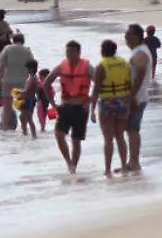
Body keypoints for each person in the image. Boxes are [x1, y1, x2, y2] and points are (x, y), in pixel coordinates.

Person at [42, 40, 94, 173]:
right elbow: (46, 83)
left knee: (76, 140)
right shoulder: (61, 66)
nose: (68, 54)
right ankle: (69, 162)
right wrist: (53, 104)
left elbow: (99, 85)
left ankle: (73, 167)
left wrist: (90, 102)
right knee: (59, 134)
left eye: (71, 51)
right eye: (67, 52)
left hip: (81, 107)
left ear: (78, 52)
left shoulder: (87, 67)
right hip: (65, 106)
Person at [91, 39, 131, 177]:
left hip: (107, 103)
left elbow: (96, 89)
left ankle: (108, 170)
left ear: (102, 51)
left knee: (108, 139)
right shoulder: (125, 63)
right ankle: (124, 167)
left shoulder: (101, 66)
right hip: (123, 102)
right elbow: (130, 84)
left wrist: (92, 110)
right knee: (120, 136)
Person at [125, 23, 152, 171]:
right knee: (131, 130)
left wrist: (131, 96)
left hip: (137, 97)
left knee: (133, 130)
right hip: (138, 96)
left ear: (137, 36)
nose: (126, 38)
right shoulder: (138, 51)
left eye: (128, 35)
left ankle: (134, 162)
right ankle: (132, 161)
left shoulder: (141, 52)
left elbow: (140, 71)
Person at [0, 33, 34, 130]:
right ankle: (24, 128)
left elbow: (1, 65)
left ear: (13, 40)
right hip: (22, 81)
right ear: (23, 40)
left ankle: (5, 126)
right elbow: (32, 66)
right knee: (23, 107)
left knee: (7, 106)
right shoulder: (27, 51)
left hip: (8, 80)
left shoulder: (7, 48)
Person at [18, 59, 40, 138]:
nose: (26, 70)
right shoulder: (32, 77)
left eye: (27, 68)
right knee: (22, 117)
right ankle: (25, 133)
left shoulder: (32, 78)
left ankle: (34, 135)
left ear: (31, 68)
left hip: (29, 100)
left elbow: (27, 90)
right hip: (27, 99)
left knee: (29, 118)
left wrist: (19, 93)